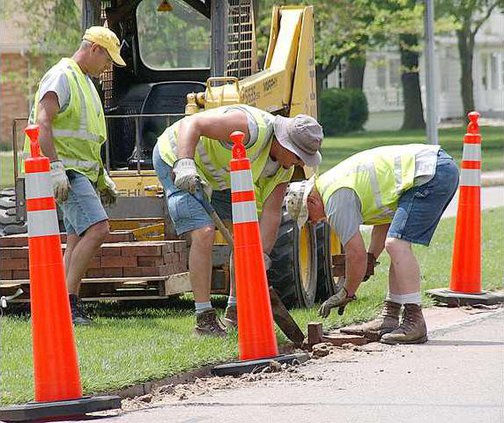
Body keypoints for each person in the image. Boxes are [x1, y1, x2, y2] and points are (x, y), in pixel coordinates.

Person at [153, 105, 323, 336]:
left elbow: (272, 214)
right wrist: (184, 163)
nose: (300, 163)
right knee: (204, 231)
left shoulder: (282, 170)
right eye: (298, 156)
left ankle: (235, 312)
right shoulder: (249, 126)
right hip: (177, 158)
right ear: (284, 143)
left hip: (222, 177)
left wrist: (260, 256)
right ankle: (204, 319)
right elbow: (191, 123)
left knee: (245, 238)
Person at [285, 144, 459, 344]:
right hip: (434, 167)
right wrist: (372, 258)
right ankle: (390, 316)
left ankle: (415, 320)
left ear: (312, 202)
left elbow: (355, 255)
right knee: (396, 244)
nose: (314, 223)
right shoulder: (332, 186)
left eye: (309, 218)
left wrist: (346, 293)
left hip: (430, 173)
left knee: (396, 245)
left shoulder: (334, 199)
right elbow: (384, 223)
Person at [26, 27, 126, 324]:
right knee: (98, 229)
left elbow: (87, 139)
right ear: (94, 48)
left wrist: (101, 176)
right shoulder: (62, 75)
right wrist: (55, 168)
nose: (108, 67)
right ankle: (66, 305)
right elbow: (43, 123)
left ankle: (61, 304)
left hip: (78, 171)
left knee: (76, 236)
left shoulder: (83, 81)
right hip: (65, 170)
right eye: (107, 59)